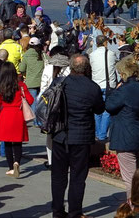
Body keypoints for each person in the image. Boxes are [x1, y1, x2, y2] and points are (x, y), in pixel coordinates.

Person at [50, 54, 105, 218]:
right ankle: (74, 212)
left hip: (60, 134)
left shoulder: (60, 83)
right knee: (78, 177)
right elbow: (100, 109)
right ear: (87, 68)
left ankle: (57, 211)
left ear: (71, 67)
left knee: (58, 176)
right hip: (81, 136)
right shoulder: (92, 87)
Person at [106, 56, 139, 201]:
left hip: (124, 136)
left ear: (123, 73)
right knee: (135, 173)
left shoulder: (123, 90)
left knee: (130, 178)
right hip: (138, 133)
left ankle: (136, 208)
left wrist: (114, 91)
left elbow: (109, 106)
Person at [0, 62, 34, 178]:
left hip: (5, 115)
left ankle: (10, 167)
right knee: (17, 142)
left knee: (7, 144)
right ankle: (17, 162)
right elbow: (30, 100)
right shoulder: (21, 86)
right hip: (18, 115)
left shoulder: (0, 87)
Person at [89, 34, 118, 141]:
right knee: (107, 111)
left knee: (97, 111)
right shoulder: (111, 54)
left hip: (96, 85)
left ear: (96, 43)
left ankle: (98, 133)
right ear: (105, 43)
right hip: (109, 85)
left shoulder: (92, 55)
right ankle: (102, 135)